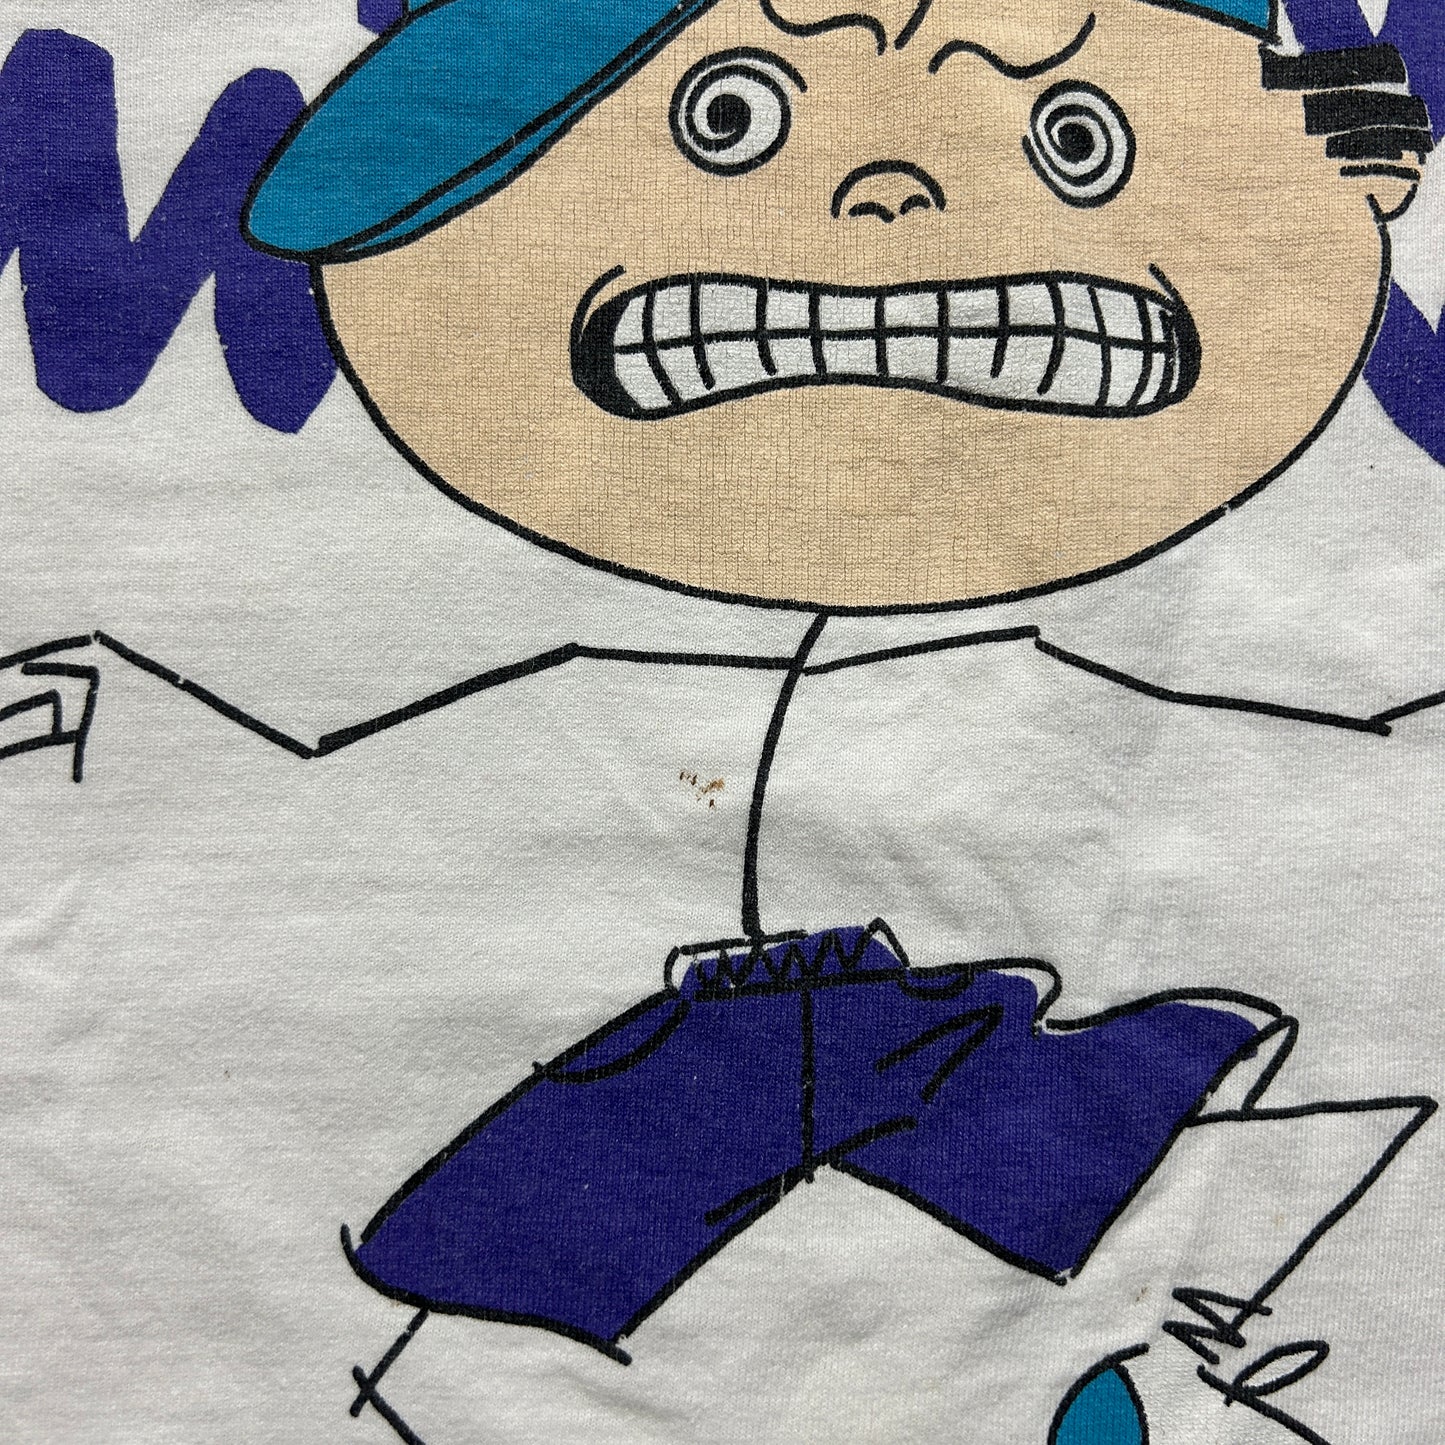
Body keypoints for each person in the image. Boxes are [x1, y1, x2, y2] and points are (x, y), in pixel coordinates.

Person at [5, 0, 1440, 1438]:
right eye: (728, 120)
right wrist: (121, 721)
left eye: (1072, 138)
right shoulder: (577, 699)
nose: (888, 196)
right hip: (727, 1083)